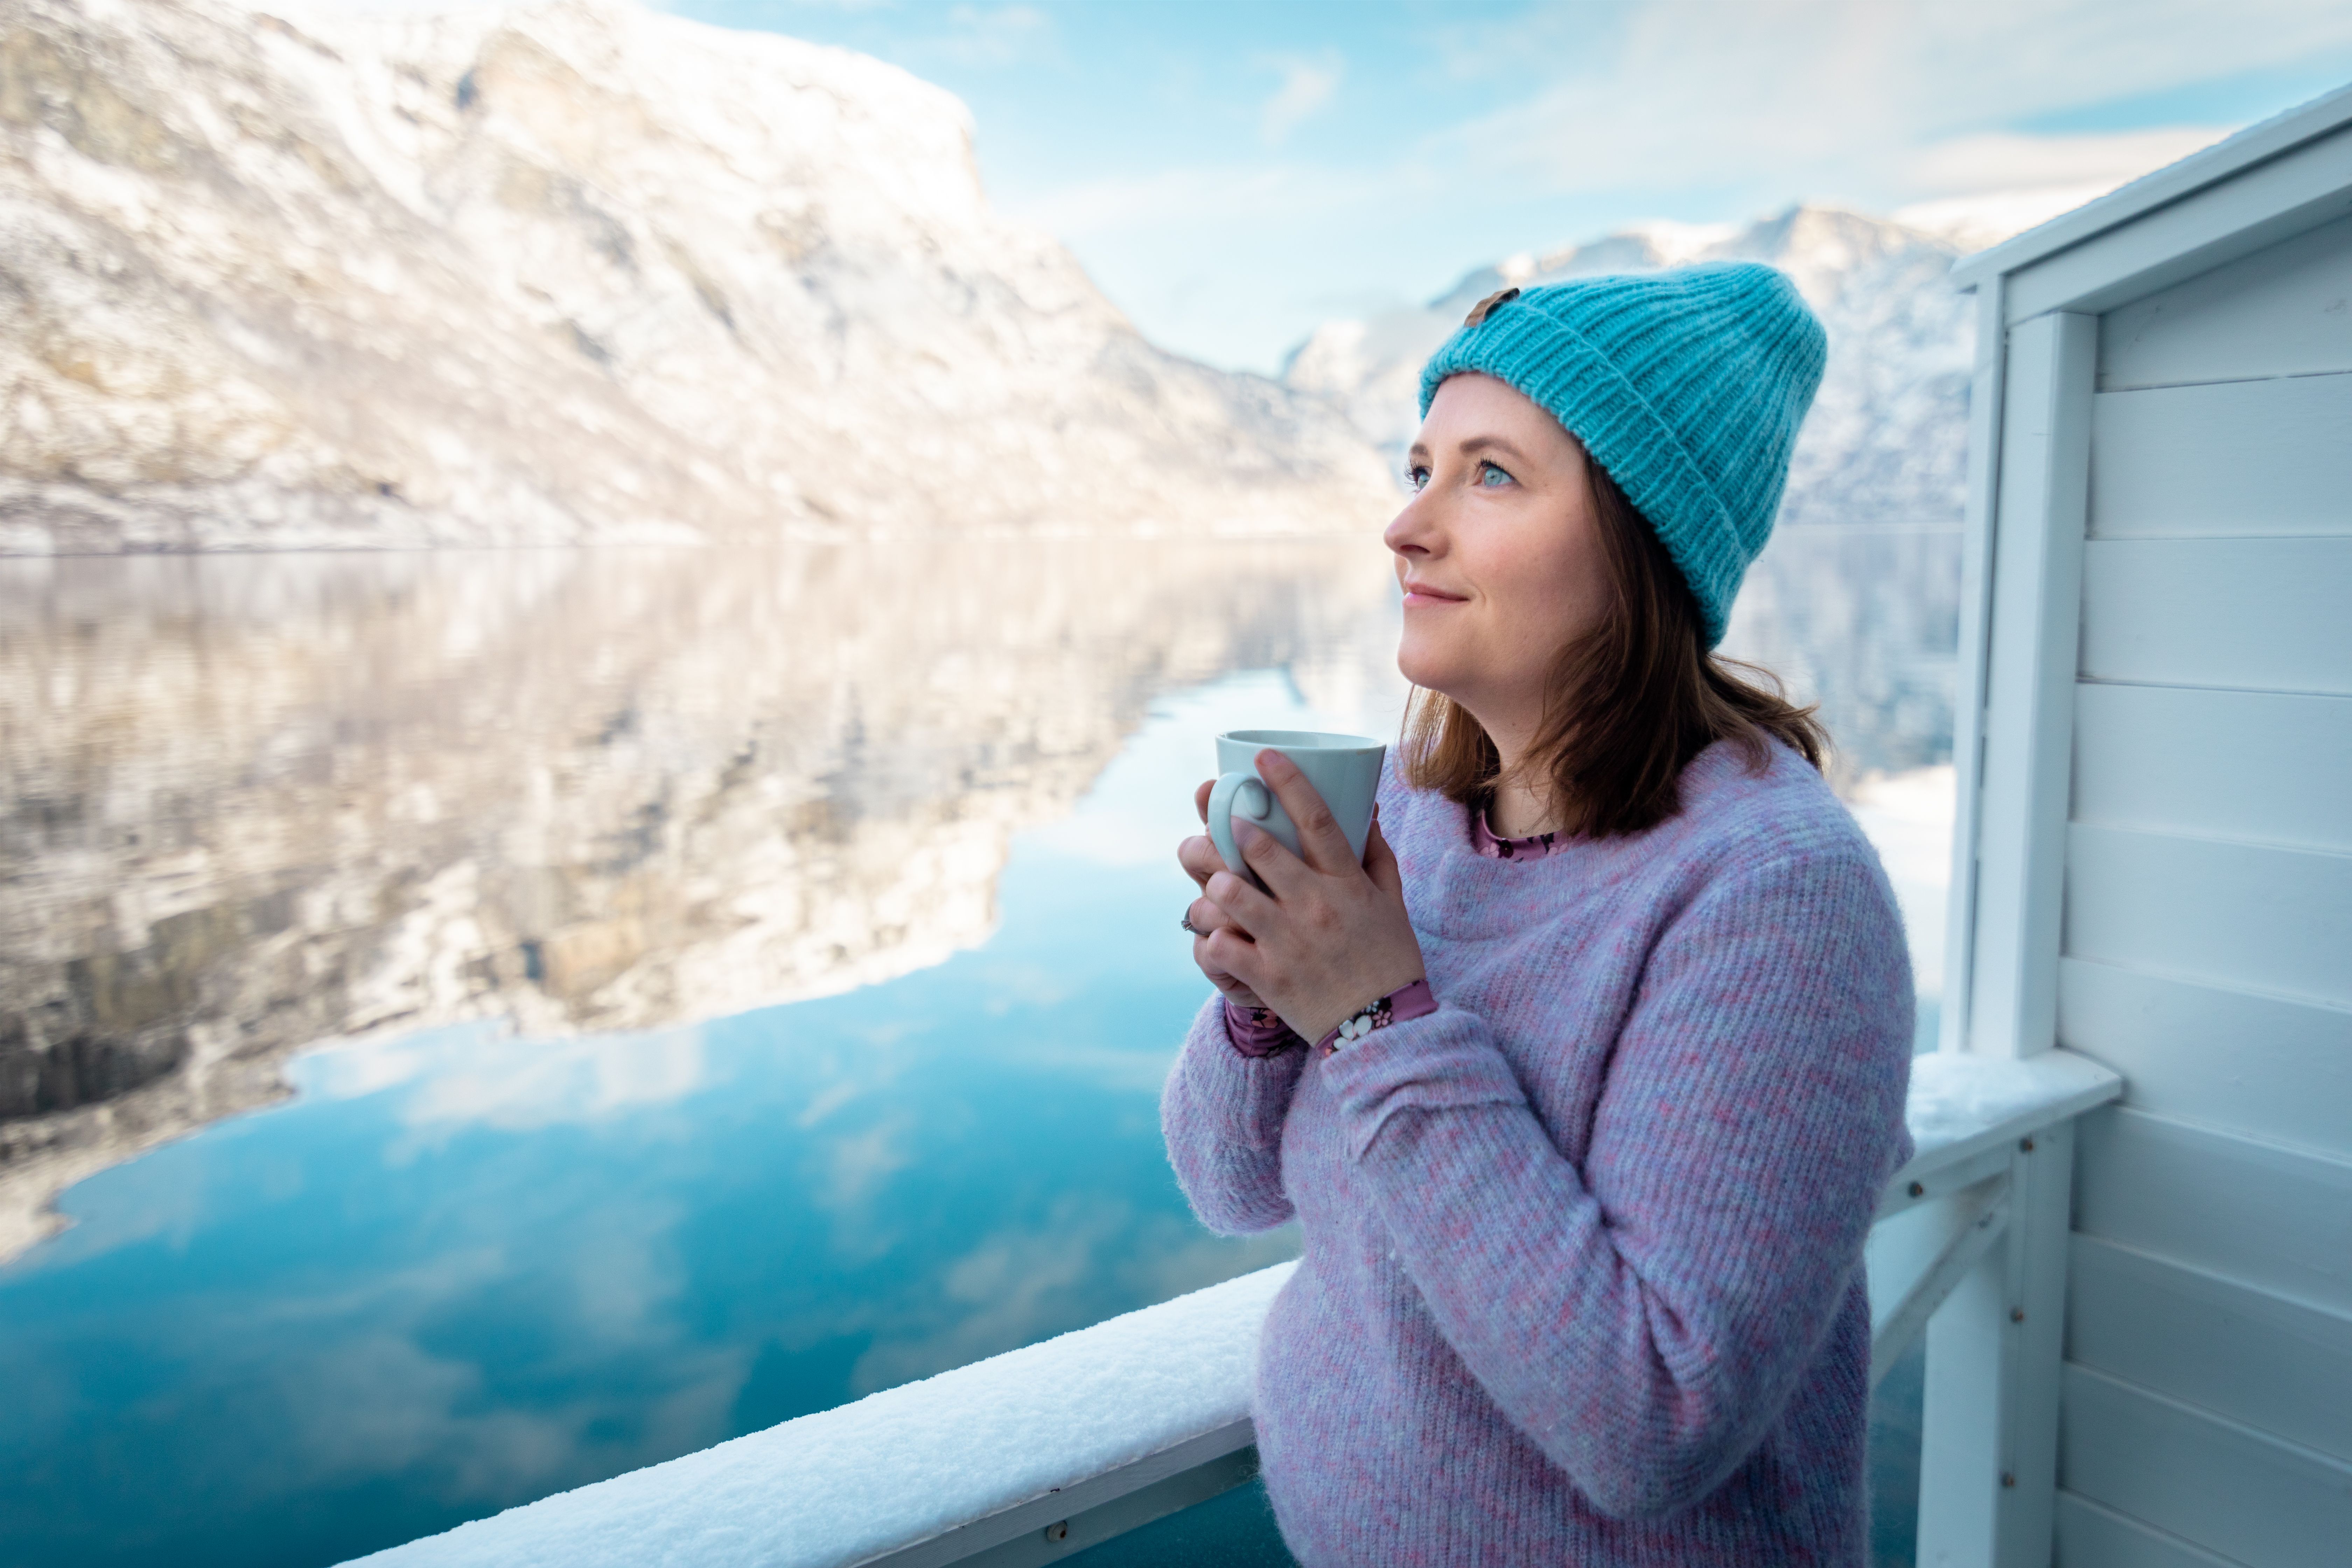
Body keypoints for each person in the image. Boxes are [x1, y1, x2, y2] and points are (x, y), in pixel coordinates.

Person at [1161, 263, 1915, 1566]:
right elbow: (1227, 1188)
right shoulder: (1410, 811)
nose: (1408, 528)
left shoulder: (1773, 892)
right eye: (1419, 469)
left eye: (1491, 475)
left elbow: (1657, 1422)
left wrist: (1374, 1017)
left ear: (1643, 538)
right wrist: (1263, 1005)